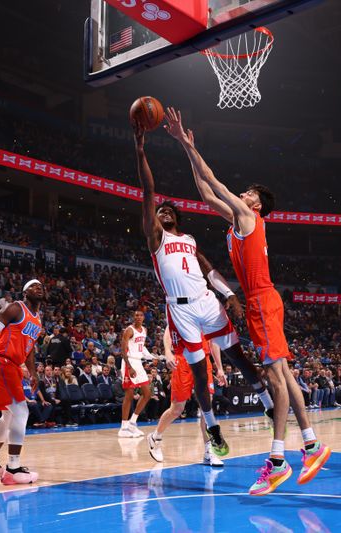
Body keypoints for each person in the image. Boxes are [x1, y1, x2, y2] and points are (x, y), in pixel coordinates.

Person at [165, 108, 329, 495]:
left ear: (257, 205)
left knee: (275, 377)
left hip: (262, 300)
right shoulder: (238, 221)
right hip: (260, 302)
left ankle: (276, 460)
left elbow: (214, 182)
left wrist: (187, 144)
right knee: (283, 375)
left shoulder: (249, 217)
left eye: (250, 192)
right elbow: (205, 192)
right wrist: (188, 152)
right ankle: (311, 444)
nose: (244, 193)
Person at [133, 122, 274, 460]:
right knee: (199, 372)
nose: (163, 212)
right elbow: (149, 192)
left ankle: (269, 406)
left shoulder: (189, 241)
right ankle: (213, 430)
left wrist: (229, 295)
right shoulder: (156, 238)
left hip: (207, 302)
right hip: (180, 310)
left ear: (177, 219)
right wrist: (140, 150)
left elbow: (210, 271)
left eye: (169, 211)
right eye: (160, 212)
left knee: (238, 355)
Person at [0, 279, 43, 485]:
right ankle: (13, 468)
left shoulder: (38, 320)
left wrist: (33, 373)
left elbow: (29, 349)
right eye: (33, 286)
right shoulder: (15, 308)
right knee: (21, 412)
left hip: (13, 366)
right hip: (1, 362)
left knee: (8, 417)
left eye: (41, 286)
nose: (38, 288)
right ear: (25, 292)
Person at [147, 326, 226, 466]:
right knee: (177, 409)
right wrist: (167, 352)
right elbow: (168, 331)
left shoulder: (207, 311)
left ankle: (209, 451)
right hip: (183, 360)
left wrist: (219, 368)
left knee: (207, 408)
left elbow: (214, 341)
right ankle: (155, 437)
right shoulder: (179, 306)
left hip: (204, 360)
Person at [118, 310, 153, 438]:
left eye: (140, 315)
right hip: (129, 362)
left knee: (147, 393)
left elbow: (141, 347)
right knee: (129, 394)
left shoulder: (144, 330)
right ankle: (123, 427)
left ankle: (132, 423)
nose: (138, 317)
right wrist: (129, 366)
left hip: (138, 362)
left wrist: (151, 356)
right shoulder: (129, 330)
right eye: (136, 315)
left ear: (144, 317)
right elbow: (123, 349)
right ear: (133, 317)